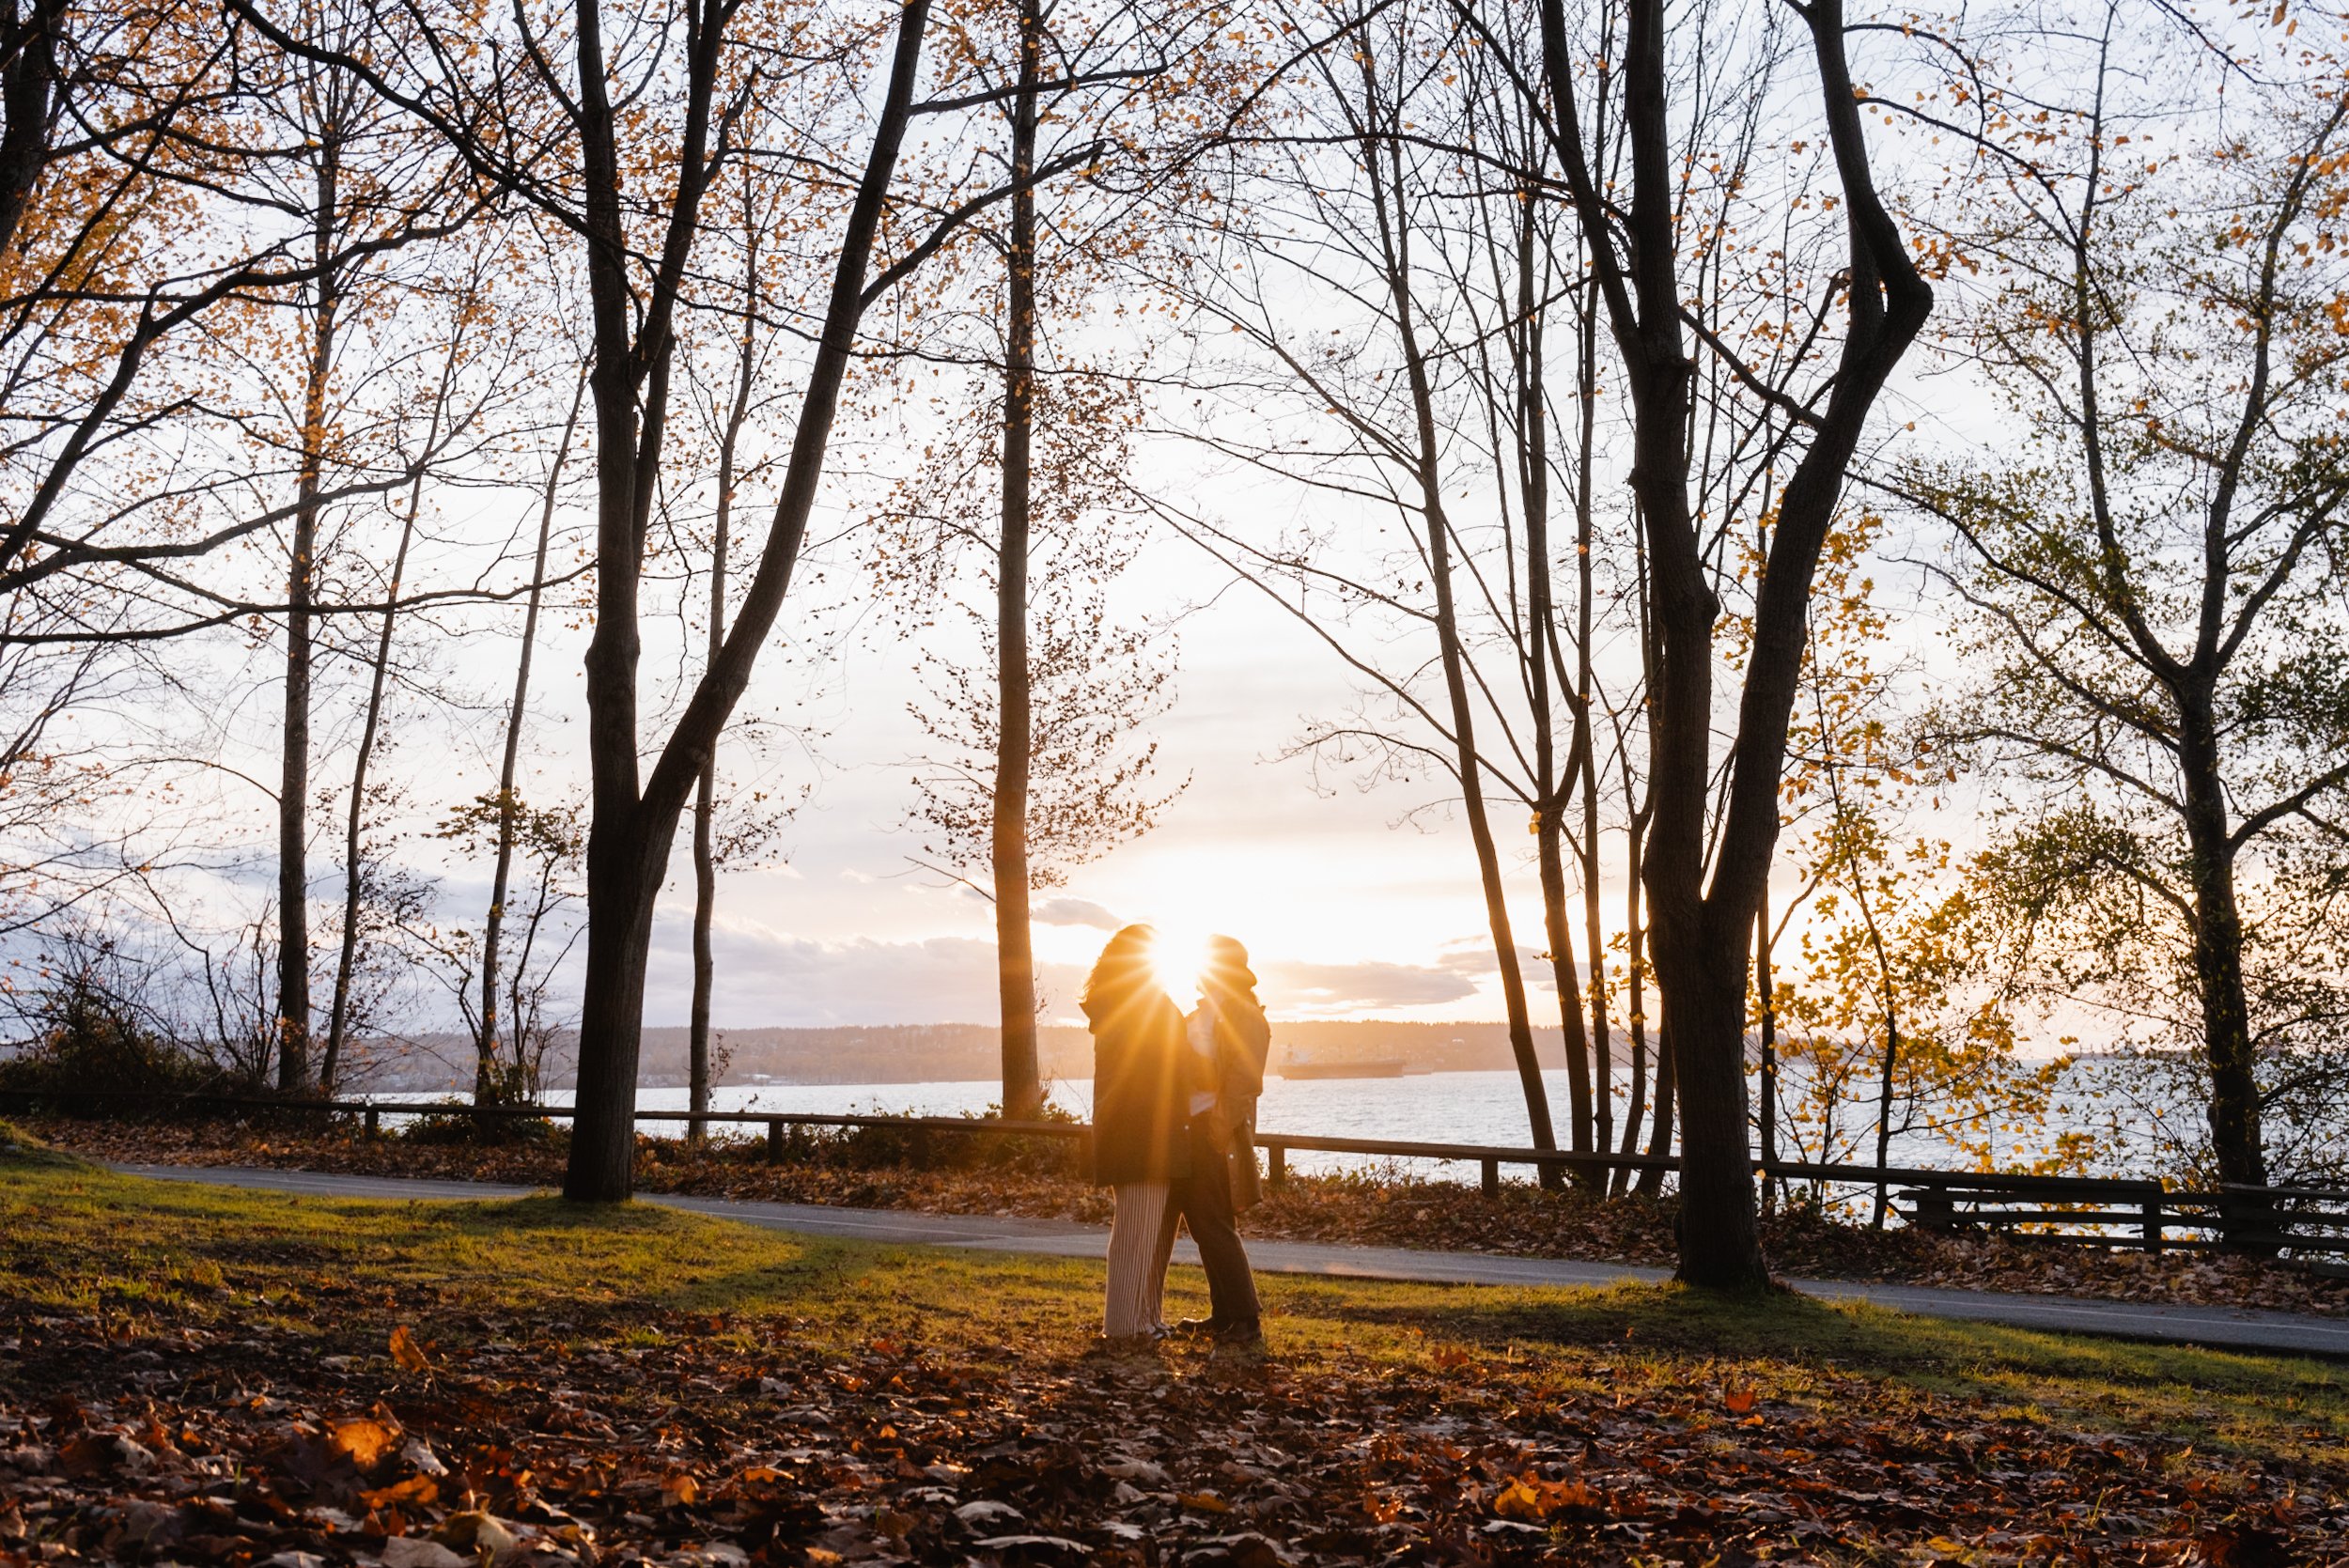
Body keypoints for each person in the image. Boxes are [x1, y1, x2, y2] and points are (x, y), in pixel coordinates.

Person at [1158, 934, 1269, 1346]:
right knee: (1205, 1226)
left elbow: (1244, 1081)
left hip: (1214, 1133)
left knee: (1217, 1225)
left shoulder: (1246, 1017)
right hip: (1191, 1130)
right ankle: (1224, 1314)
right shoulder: (1205, 1012)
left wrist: (1217, 1130)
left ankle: (1245, 1319)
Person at [1080, 924, 1189, 1344]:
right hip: (1144, 1134)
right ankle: (1125, 1325)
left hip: (1139, 1132)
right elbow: (1160, 1068)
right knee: (1138, 1234)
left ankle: (1144, 1318)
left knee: (1150, 1234)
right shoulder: (1138, 1006)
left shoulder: (1124, 1004)